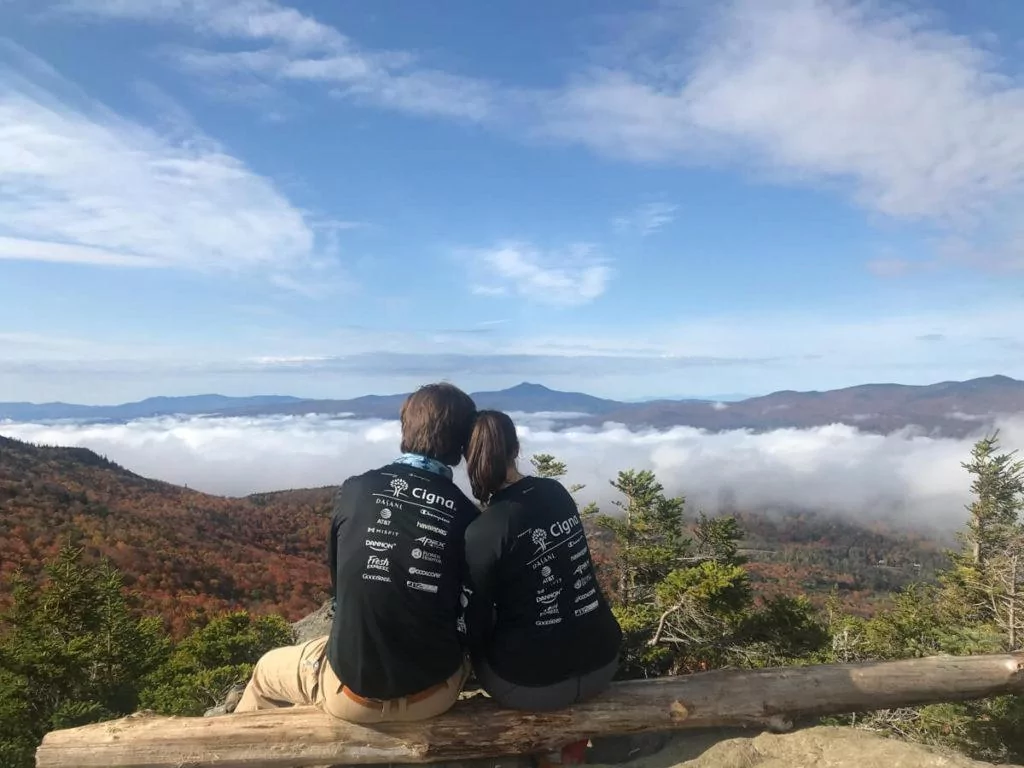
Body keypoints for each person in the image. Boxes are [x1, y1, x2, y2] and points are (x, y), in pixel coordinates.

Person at [234, 382, 480, 722]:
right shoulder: (468, 516)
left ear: (406, 428)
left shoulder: (355, 491)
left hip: (351, 697)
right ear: (462, 446)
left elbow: (340, 591)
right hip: (433, 696)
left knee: (264, 673)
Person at [459, 410, 622, 712]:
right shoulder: (556, 493)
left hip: (531, 685)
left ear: (468, 459)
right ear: (517, 449)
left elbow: (474, 626)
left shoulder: (485, 531)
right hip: (603, 661)